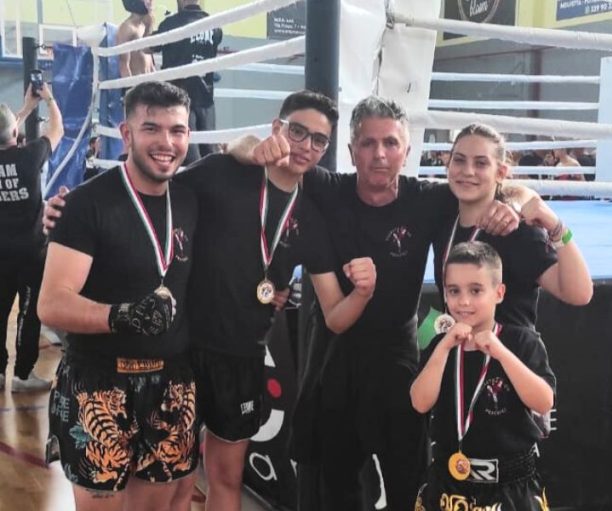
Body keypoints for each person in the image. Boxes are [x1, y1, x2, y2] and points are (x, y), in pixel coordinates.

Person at [44, 90, 377, 511]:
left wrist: (363, 292)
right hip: (167, 358)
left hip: (231, 358)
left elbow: (334, 314)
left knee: (212, 482)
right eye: (297, 131)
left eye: (318, 139)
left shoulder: (306, 217)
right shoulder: (219, 173)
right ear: (277, 128)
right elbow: (149, 189)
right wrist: (62, 212)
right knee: (171, 486)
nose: (305, 145)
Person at [242, 96, 528, 510]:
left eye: (391, 143)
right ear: (351, 150)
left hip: (398, 358)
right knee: (336, 486)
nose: (380, 154)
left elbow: (495, 184)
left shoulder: (427, 199)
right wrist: (255, 146)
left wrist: (517, 202)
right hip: (335, 355)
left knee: (407, 484)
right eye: (368, 143)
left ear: (406, 151)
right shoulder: (328, 188)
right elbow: (250, 152)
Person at [38, 81, 199, 511]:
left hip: (171, 382)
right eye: (152, 128)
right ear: (126, 134)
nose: (166, 142)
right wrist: (123, 316)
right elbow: (51, 303)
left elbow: (246, 156)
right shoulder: (85, 204)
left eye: (177, 130)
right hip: (99, 381)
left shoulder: (191, 197)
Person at [411, 241, 556, 510]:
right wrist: (444, 346)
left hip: (510, 486)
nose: (464, 301)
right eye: (454, 291)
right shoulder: (439, 346)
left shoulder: (521, 342)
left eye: (476, 290)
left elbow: (543, 402)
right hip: (449, 486)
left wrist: (501, 353)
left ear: (499, 293)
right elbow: (420, 403)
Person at [434, 123, 592, 329]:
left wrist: (556, 227)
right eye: (459, 160)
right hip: (460, 347)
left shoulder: (516, 229)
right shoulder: (442, 216)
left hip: (510, 348)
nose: (468, 171)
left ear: (500, 172)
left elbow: (579, 294)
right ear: (448, 164)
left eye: (481, 163)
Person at [0, 83, 63, 392]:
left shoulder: (24, 152)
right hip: (31, 252)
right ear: (15, 131)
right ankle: (23, 376)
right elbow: (58, 129)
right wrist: (47, 98)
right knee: (28, 313)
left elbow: (6, 135)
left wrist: (24, 110)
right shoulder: (30, 155)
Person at [154, 0, 223, 163]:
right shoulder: (214, 26)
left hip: (178, 99)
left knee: (188, 155)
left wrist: (148, 21)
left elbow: (147, 47)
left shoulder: (170, 24)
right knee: (209, 152)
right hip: (206, 98)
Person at [117, 0, 155, 78]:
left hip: (149, 82)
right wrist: (131, 85)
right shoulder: (127, 28)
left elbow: (150, 63)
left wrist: (148, 28)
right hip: (137, 83)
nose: (151, 2)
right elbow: (124, 65)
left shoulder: (144, 25)